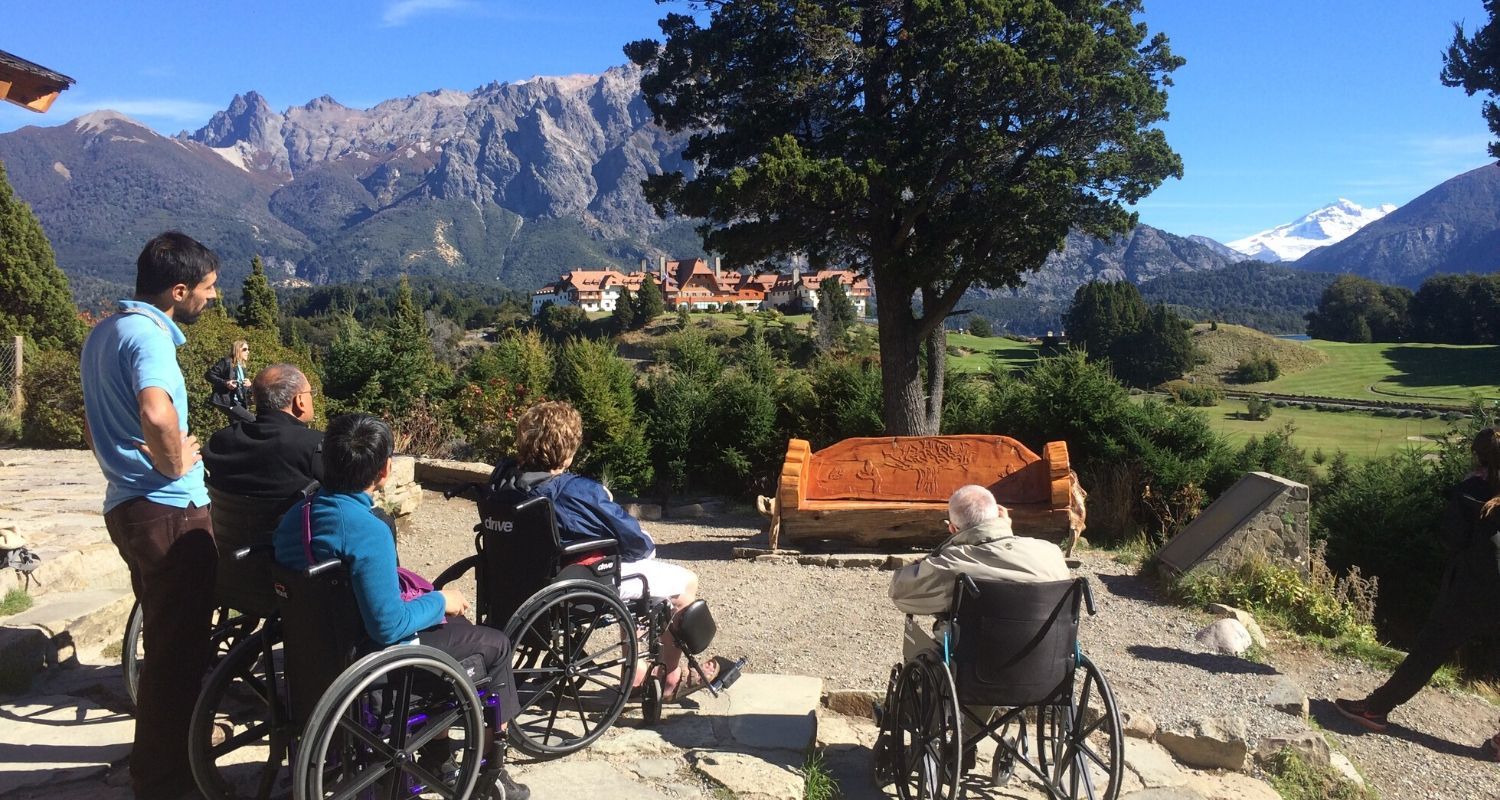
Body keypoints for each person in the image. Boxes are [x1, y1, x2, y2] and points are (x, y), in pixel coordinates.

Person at [272, 413, 528, 800]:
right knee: (494, 645)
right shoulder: (366, 528)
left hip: (313, 660)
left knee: (453, 636)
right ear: (385, 469)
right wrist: (441, 600)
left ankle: (439, 752)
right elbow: (388, 626)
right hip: (372, 669)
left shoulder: (296, 516)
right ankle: (490, 770)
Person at [80, 231, 220, 800]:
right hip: (170, 511)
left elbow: (92, 424)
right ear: (178, 289)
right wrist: (172, 462)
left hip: (128, 507)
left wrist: (126, 468)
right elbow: (157, 410)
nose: (213, 298)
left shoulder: (103, 333)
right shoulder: (151, 335)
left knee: (164, 645)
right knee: (178, 656)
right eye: (207, 288)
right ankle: (168, 780)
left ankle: (161, 763)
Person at [490, 400, 736, 701]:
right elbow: (637, 543)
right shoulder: (576, 491)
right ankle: (667, 680)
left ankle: (638, 671)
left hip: (514, 585)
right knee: (684, 583)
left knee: (629, 578)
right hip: (573, 588)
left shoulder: (502, 482)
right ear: (568, 454)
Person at [1336, 428, 1500, 747]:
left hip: (1473, 587)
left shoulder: (1471, 488)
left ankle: (1374, 710)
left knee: (1430, 649)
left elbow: (1452, 538)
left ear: (1477, 455)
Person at [889, 484, 1072, 661]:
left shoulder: (950, 566)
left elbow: (899, 591)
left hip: (969, 679)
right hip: (1045, 675)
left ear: (953, 529)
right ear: (1000, 516)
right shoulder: (1051, 555)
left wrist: (947, 546)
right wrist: (1004, 530)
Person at [201, 363, 324, 615]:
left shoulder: (222, 440)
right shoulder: (312, 447)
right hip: (290, 575)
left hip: (231, 569)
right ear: (300, 401)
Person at [205, 339, 255, 424]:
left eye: (248, 349)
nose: (248, 352)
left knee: (238, 428)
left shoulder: (242, 366)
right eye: (245, 349)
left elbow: (243, 386)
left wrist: (249, 385)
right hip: (226, 400)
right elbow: (209, 375)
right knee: (252, 420)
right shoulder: (226, 361)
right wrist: (225, 383)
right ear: (237, 350)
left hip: (238, 402)